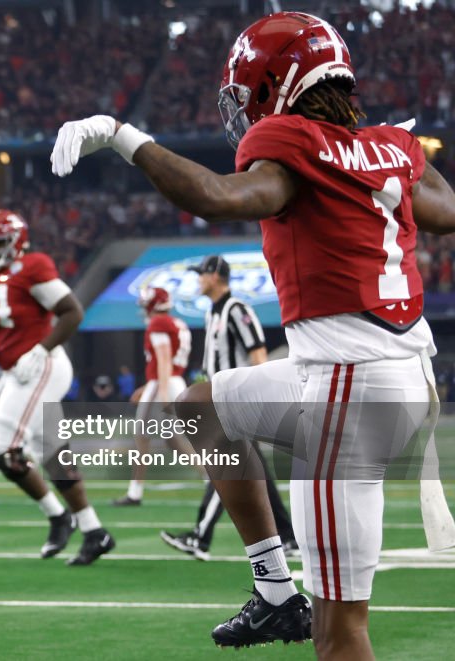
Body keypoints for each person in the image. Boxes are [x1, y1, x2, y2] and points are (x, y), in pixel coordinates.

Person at [51, 11, 455, 656]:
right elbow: (446, 212)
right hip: (394, 378)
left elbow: (218, 195)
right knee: (198, 407)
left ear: (280, 82)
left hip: (348, 392)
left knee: (341, 631)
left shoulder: (292, 142)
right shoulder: (393, 149)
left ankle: (290, 597)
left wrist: (125, 137)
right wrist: (396, 156)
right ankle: (272, 590)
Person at [0, 208, 114, 565]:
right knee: (51, 454)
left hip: (43, 367)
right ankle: (94, 531)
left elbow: (72, 311)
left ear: (17, 242)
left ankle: (57, 516)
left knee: (1, 449)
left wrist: (43, 348)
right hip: (18, 372)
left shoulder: (33, 266)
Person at [160, 255, 297, 561]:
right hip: (217, 397)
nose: (198, 279)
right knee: (253, 469)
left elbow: (257, 351)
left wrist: (261, 393)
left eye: (202, 274)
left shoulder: (236, 309)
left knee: (225, 464)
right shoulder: (213, 313)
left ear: (215, 276)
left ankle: (200, 537)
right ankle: (288, 537)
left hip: (234, 398)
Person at [113, 286, 192, 506]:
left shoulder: (159, 323)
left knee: (141, 436)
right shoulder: (177, 323)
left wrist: (161, 391)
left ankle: (134, 492)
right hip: (173, 381)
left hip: (164, 383)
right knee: (173, 441)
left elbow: (165, 359)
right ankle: (210, 479)